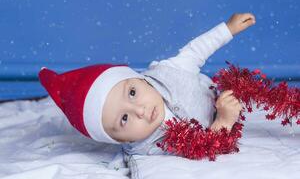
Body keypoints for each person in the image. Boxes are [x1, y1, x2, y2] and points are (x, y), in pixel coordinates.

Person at [39, 13, 256, 156]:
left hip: (209, 90)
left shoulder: (169, 71)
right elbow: (204, 149)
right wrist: (225, 120)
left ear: (139, 78)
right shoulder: (151, 148)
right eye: (124, 119)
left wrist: (227, 29)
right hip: (220, 117)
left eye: (132, 92)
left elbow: (195, 51)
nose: (140, 110)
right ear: (117, 139)